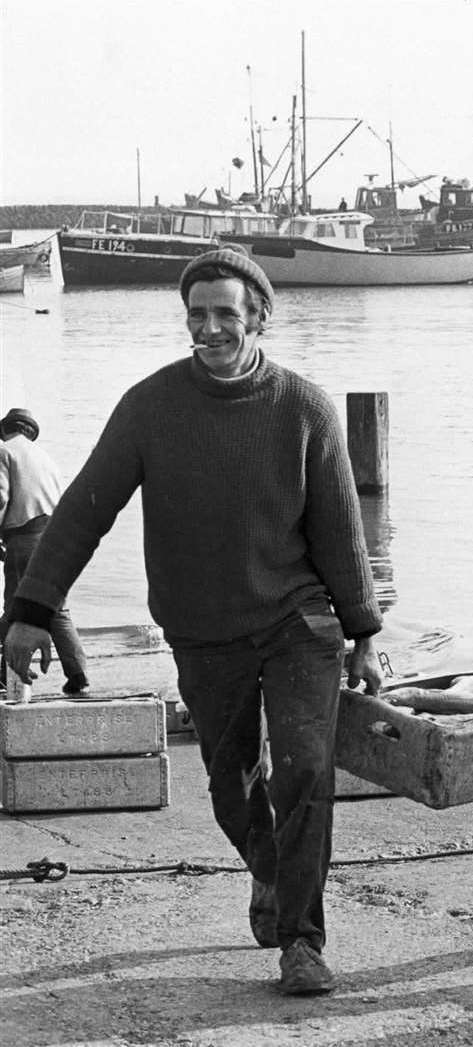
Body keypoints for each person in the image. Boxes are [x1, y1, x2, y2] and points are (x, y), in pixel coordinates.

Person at [2, 245, 383, 996]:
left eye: (225, 315)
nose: (210, 329)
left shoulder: (304, 408)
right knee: (230, 787)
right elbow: (82, 512)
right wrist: (32, 611)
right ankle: (271, 872)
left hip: (298, 621)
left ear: (260, 317)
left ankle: (302, 942)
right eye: (197, 315)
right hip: (204, 630)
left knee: (306, 770)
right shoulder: (151, 406)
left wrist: (364, 633)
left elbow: (342, 533)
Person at [0, 407, 88, 696]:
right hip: (55, 540)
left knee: (14, 608)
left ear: (5, 429)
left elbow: (1, 499)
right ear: (30, 431)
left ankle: (3, 678)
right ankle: (78, 676)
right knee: (57, 610)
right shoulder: (47, 460)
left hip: (24, 537)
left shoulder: (5, 451)